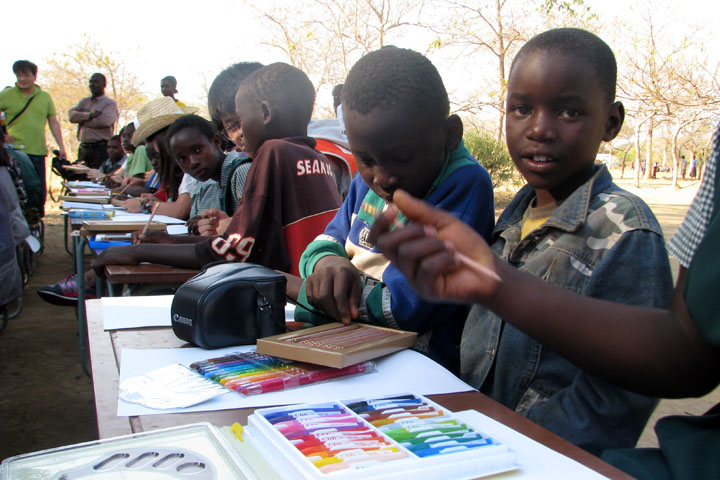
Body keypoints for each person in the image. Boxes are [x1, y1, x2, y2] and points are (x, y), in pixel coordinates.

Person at [371, 28, 674, 455]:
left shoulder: (626, 233)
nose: (539, 130)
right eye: (521, 109)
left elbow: (617, 397)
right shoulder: (512, 219)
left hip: (543, 458)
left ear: (611, 122)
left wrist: (503, 438)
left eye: (568, 112)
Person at [292, 47, 494, 372]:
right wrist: (329, 264)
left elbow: (410, 306)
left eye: (401, 158)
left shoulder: (464, 183)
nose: (383, 178)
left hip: (419, 365)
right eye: (366, 160)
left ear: (449, 135)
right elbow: (326, 241)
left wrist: (303, 290)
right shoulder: (367, 180)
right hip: (351, 341)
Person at [91, 63, 342, 277]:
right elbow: (250, 242)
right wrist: (172, 241)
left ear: (265, 113)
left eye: (240, 120)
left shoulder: (272, 154)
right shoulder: (314, 155)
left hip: (290, 303)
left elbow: (232, 251)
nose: (238, 134)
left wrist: (137, 252)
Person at [0, 60, 67, 214]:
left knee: (37, 190)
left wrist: (62, 146)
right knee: (19, 190)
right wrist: (2, 136)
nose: (22, 79)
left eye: (26, 75)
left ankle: (36, 222)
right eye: (18, 75)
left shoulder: (44, 97)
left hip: (37, 150)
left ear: (34, 76)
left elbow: (53, 122)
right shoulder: (6, 95)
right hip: (14, 151)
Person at [68, 73, 119, 169]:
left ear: (104, 84)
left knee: (97, 178)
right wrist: (90, 115)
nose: (92, 84)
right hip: (84, 148)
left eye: (96, 82)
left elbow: (104, 121)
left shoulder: (110, 103)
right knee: (81, 177)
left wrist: (81, 119)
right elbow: (71, 116)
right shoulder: (85, 102)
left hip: (100, 149)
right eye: (90, 82)